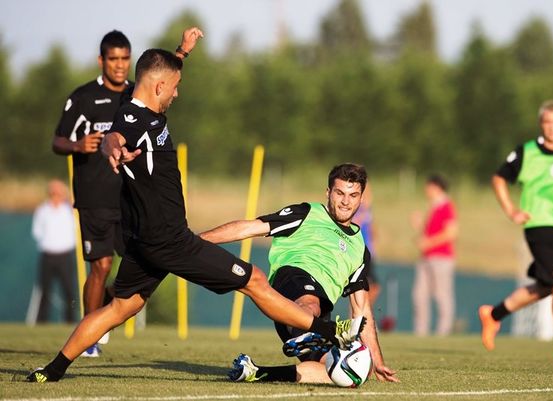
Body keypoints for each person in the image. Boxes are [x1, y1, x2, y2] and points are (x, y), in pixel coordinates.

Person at [26, 44, 363, 383]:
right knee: (255, 280)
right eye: (175, 87)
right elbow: (115, 137)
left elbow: (154, 72)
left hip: (146, 242)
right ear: (159, 87)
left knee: (120, 308)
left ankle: (52, 370)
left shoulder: (138, 101)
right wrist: (111, 148)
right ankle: (332, 331)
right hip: (170, 240)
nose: (177, 93)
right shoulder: (135, 119)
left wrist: (181, 53)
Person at [51, 27, 203, 357]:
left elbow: (162, 81)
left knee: (131, 270)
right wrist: (79, 144)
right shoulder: (83, 98)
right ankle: (89, 338)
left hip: (129, 199)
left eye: (125, 59)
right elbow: (58, 140)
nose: (120, 65)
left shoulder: (134, 95)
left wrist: (182, 51)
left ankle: (104, 309)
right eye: (113, 59)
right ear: (101, 60)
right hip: (94, 198)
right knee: (101, 265)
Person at [200, 164, 397, 384]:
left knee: (351, 373)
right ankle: (307, 334)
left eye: (353, 195)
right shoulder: (307, 213)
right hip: (293, 283)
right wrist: (194, 242)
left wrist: (376, 361)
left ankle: (255, 372)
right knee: (311, 302)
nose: (345, 201)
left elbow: (362, 309)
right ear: (328, 193)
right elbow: (249, 228)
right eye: (339, 193)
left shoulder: (359, 248)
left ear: (361, 199)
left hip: (318, 318)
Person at [479, 99, 553, 360]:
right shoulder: (527, 151)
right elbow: (498, 178)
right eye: (547, 122)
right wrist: (511, 210)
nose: (552, 128)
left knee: (546, 286)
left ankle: (493, 315)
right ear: (541, 125)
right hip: (538, 224)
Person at [410, 175, 458, 336]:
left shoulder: (446, 206)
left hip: (441, 258)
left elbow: (451, 233)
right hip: (426, 258)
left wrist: (428, 243)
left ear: (436, 187)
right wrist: (419, 225)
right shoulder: (434, 207)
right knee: (419, 295)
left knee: (442, 295)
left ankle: (443, 332)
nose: (426, 190)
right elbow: (429, 232)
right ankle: (421, 332)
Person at [31, 179, 77, 323]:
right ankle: (41, 322)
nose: (56, 194)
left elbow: (76, 228)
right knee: (45, 291)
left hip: (65, 255)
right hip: (48, 255)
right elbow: (37, 231)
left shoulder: (69, 210)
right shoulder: (42, 210)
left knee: (69, 290)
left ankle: (69, 321)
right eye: (53, 192)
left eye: (59, 192)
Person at [352, 183, 381, 307]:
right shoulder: (355, 208)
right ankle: (359, 315)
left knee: (372, 286)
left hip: (369, 251)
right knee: (358, 288)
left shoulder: (368, 210)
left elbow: (371, 230)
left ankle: (363, 313)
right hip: (359, 251)